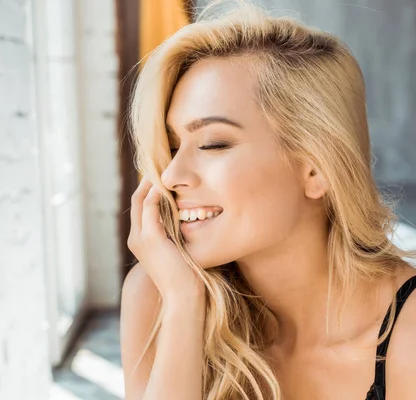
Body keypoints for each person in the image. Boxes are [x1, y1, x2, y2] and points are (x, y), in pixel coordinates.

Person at [120, 1, 416, 399]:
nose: (171, 175)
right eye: (173, 146)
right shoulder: (158, 295)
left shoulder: (407, 331)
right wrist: (184, 304)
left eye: (213, 143)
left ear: (316, 168)